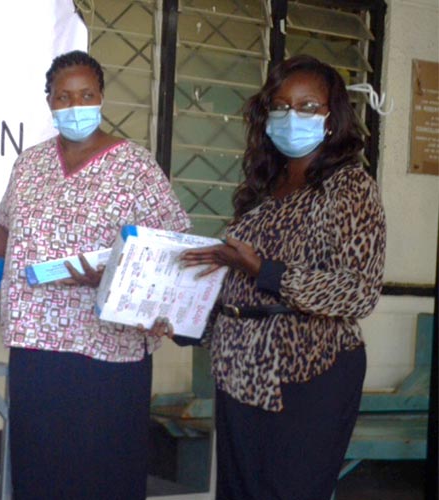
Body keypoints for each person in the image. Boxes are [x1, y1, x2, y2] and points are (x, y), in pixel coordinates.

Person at [0, 50, 190, 499]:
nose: (75, 105)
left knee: (103, 472)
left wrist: (111, 272)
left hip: (108, 348)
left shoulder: (135, 166)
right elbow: (9, 229)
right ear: (49, 101)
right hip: (38, 344)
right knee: (40, 469)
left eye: (86, 95)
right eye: (63, 97)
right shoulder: (30, 164)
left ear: (101, 97)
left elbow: (171, 244)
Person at [179, 55, 386, 500]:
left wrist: (264, 270)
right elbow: (236, 289)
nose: (292, 116)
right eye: (281, 106)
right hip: (238, 369)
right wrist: (180, 321)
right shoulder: (262, 186)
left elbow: (359, 290)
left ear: (332, 118)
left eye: (308, 106)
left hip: (309, 370)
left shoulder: (349, 187)